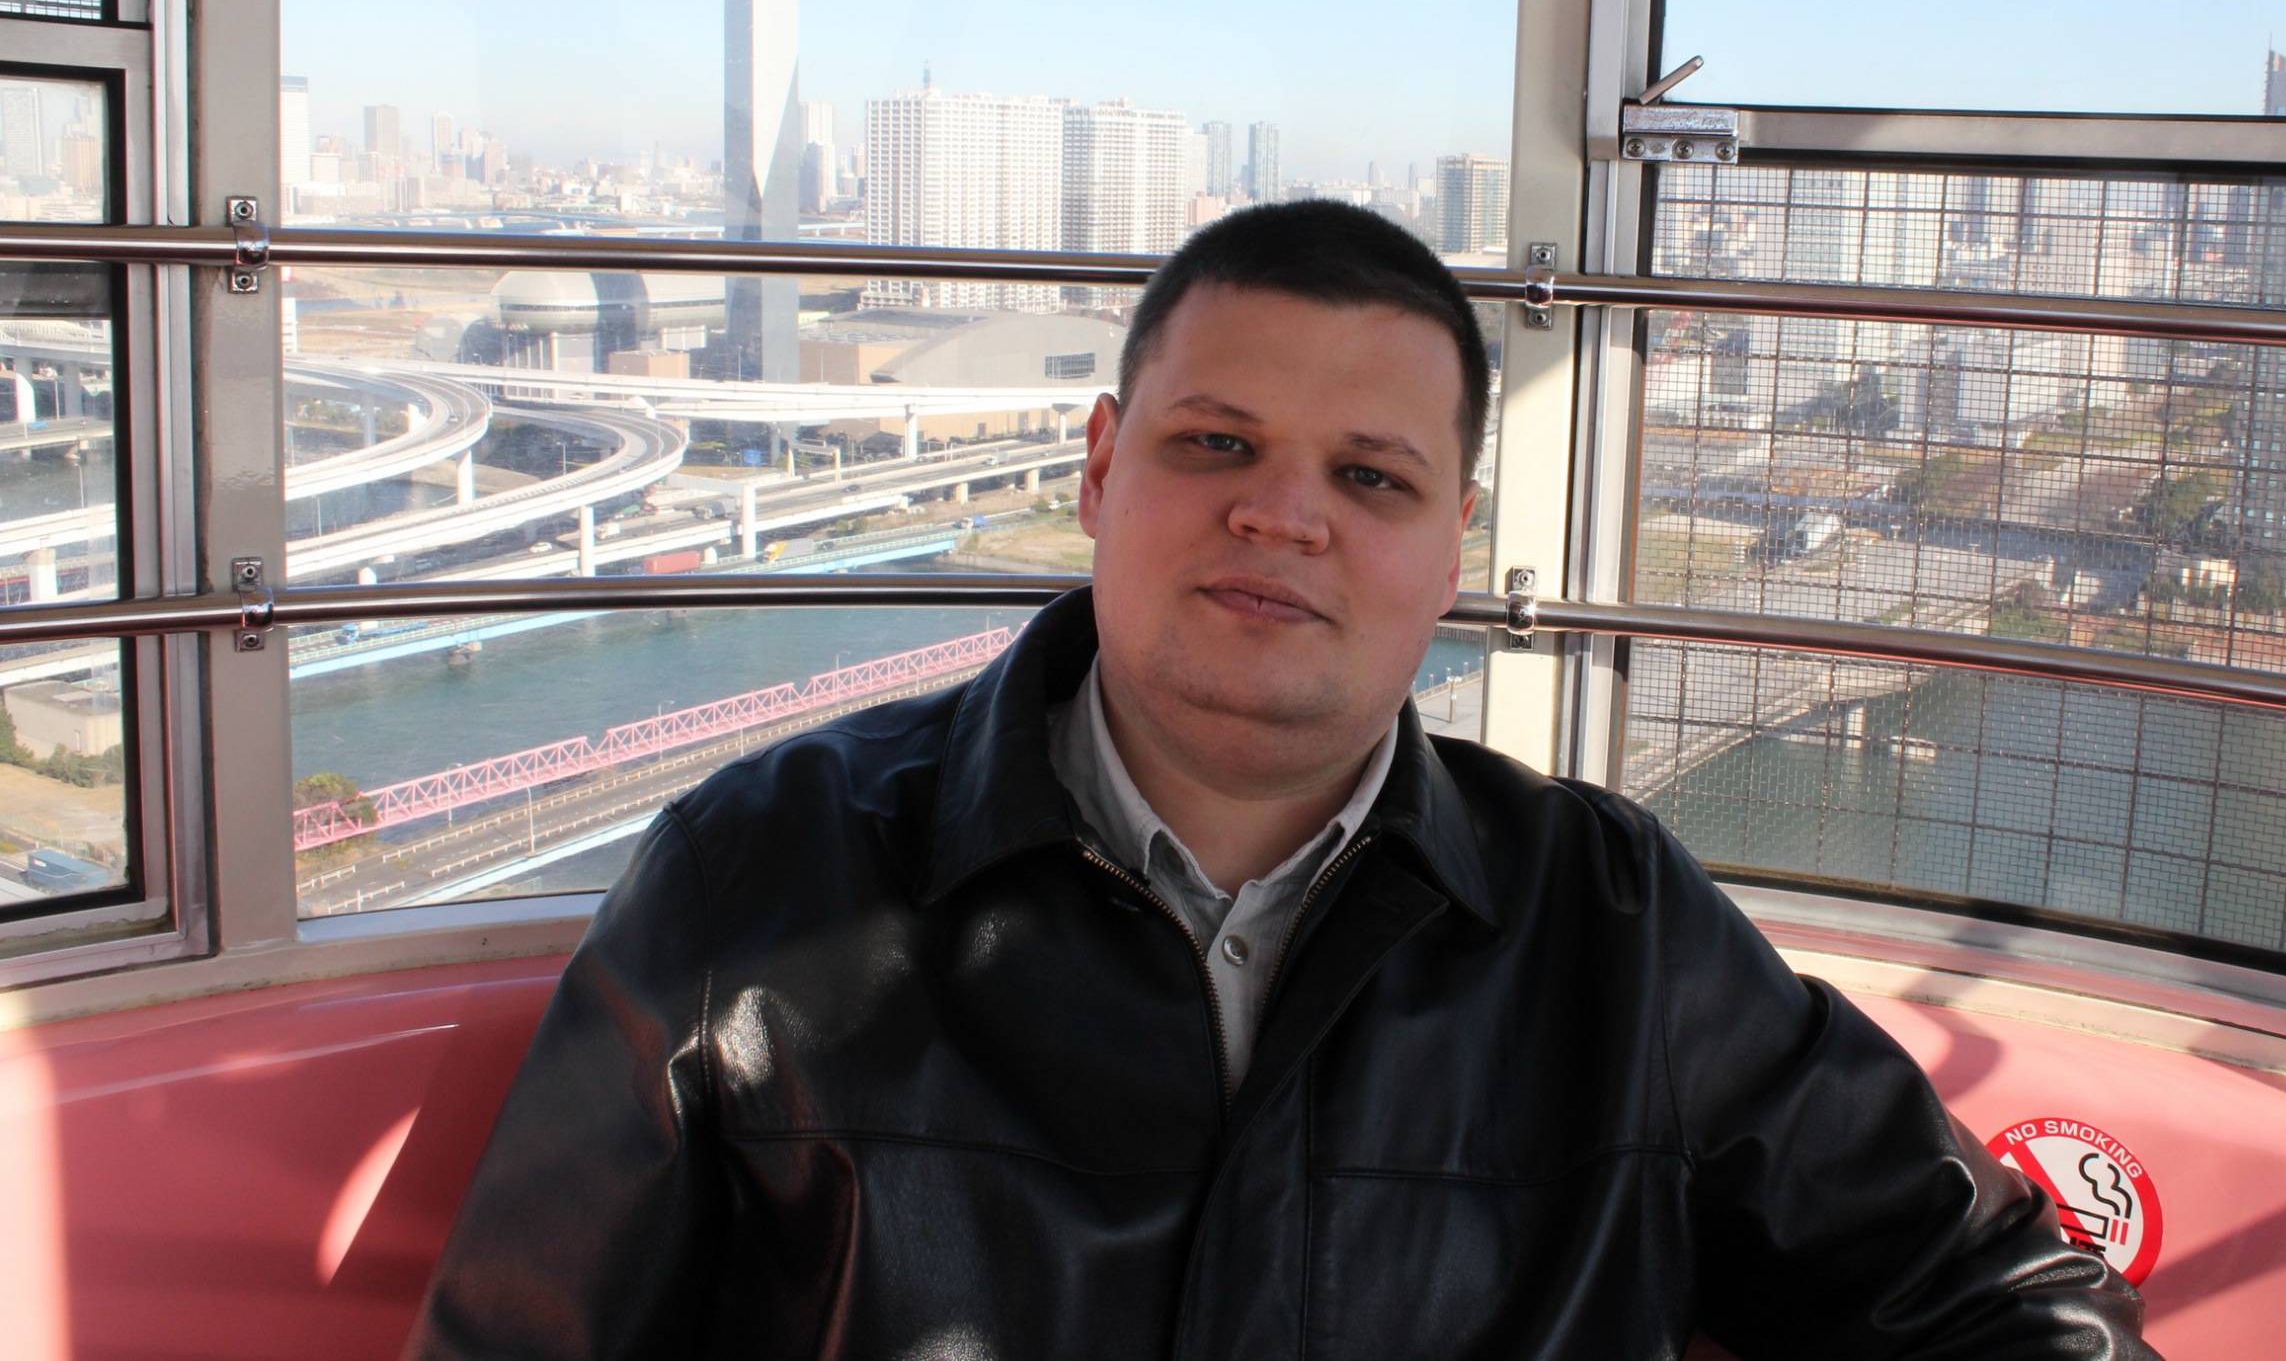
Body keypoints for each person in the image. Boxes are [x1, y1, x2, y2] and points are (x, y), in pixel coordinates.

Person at [408, 201, 2156, 1360]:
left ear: (1453, 551)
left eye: (1372, 477)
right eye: (1218, 443)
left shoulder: (1614, 927)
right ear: (1101, 470)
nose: (1282, 513)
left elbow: (1992, 1303)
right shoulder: (760, 887)